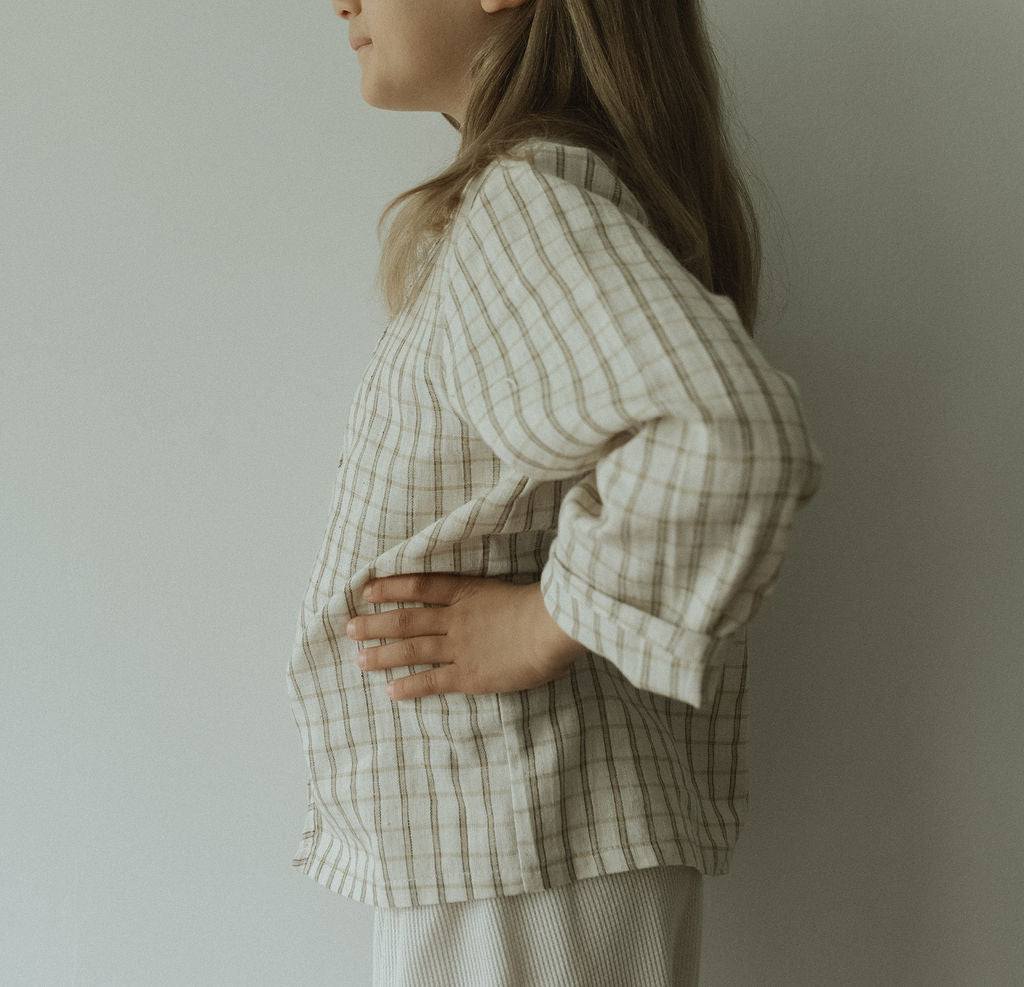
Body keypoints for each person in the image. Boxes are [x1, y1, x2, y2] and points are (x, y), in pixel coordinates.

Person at [286, 0, 824, 983]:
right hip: (519, 841)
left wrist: (542, 622)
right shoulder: (544, 203)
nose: (338, 2)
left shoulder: (524, 205)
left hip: (518, 842)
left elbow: (730, 433)